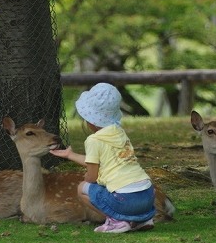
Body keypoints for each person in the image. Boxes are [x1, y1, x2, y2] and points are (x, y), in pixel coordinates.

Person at [50, 83, 156, 233]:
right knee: (112, 187)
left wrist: (87, 175)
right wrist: (70, 155)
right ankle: (141, 219)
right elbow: (98, 161)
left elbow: (92, 177)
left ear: (90, 120)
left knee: (82, 188)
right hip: (148, 196)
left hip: (126, 200)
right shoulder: (119, 132)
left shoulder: (94, 140)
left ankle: (118, 221)